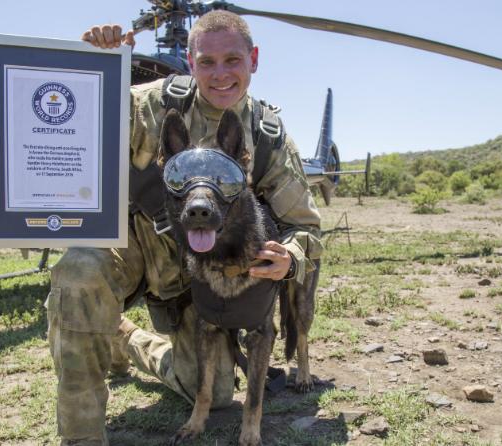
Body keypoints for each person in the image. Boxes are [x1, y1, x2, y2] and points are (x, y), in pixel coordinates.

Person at [48, 11, 322, 445]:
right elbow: (79, 116)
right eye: (206, 62)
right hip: (141, 246)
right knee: (79, 273)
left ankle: (125, 337)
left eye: (232, 60)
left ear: (253, 59)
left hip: (208, 278)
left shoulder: (267, 137)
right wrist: (98, 65)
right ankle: (81, 436)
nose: (220, 74)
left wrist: (291, 256)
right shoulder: (152, 105)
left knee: (215, 396)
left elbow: (304, 226)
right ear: (191, 62)